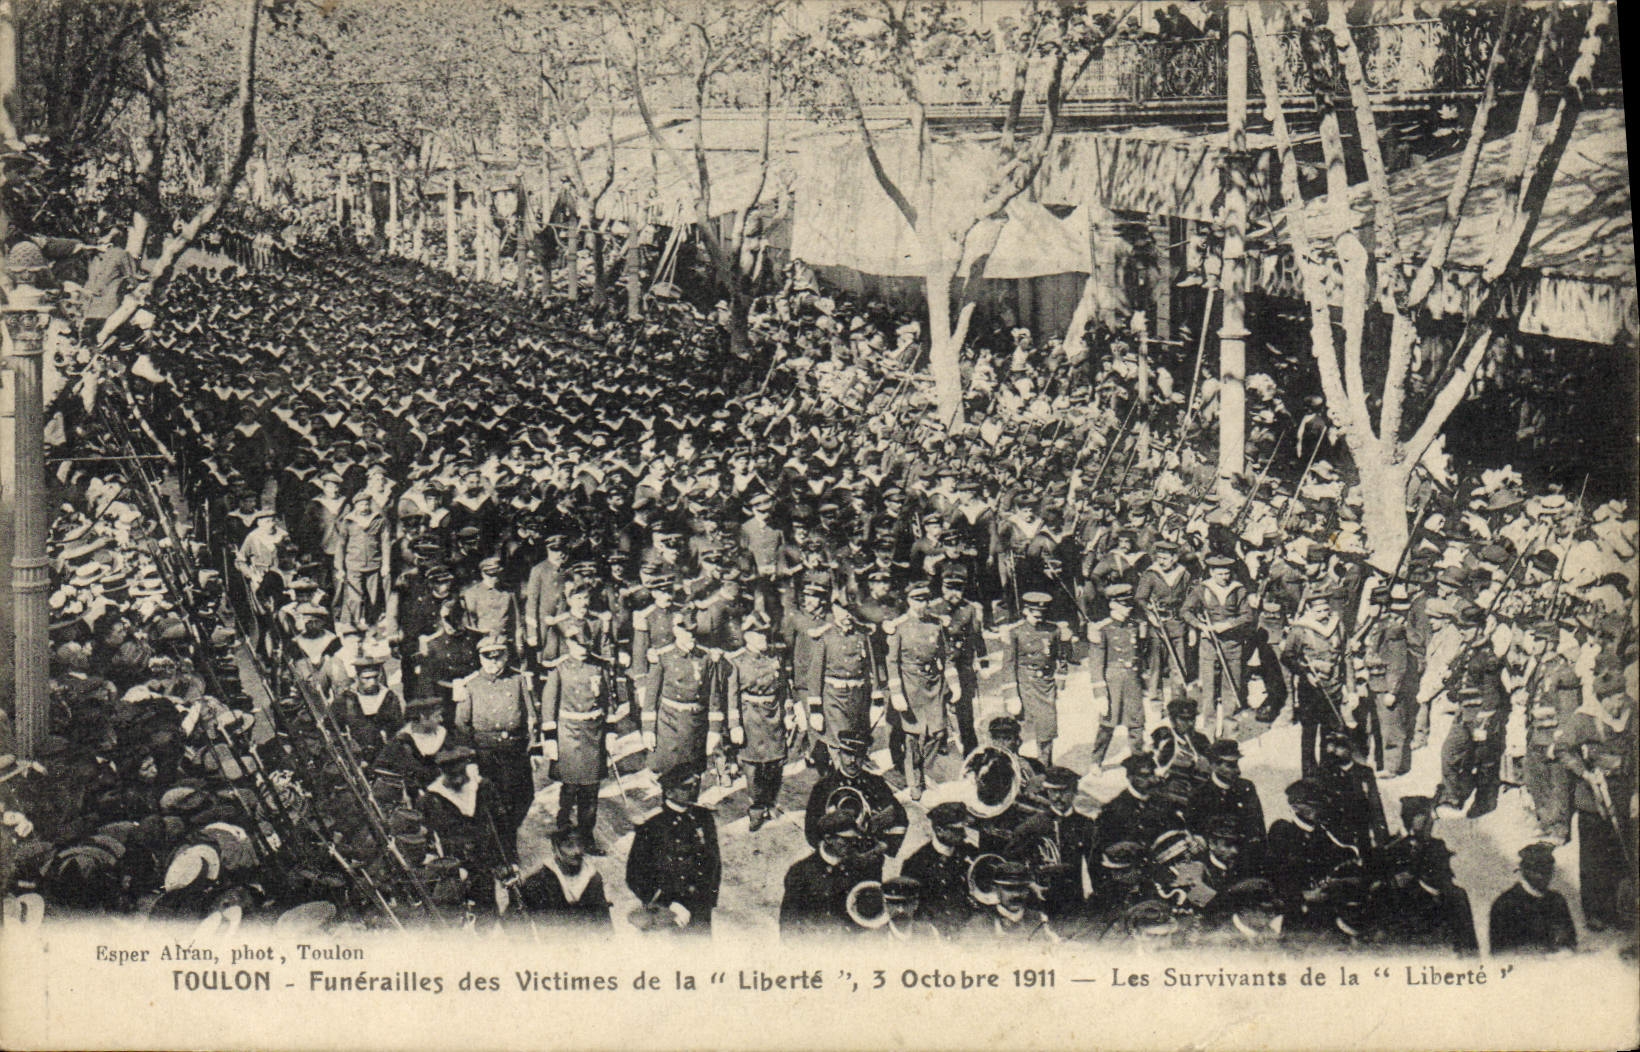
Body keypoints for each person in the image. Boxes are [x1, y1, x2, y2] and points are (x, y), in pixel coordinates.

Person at [1558, 669, 1636, 934]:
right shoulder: (1583, 719)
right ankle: (1595, 912)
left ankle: (1619, 909)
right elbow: (1563, 749)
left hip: (1624, 793)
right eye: (1613, 699)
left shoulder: (1632, 713)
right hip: (1593, 797)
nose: (1618, 704)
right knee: (1594, 859)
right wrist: (1584, 772)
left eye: (1621, 698)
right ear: (1601, 699)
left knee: (1621, 853)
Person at [452, 634, 536, 860]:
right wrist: (470, 759)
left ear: (506, 657)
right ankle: (504, 850)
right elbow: (462, 725)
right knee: (497, 805)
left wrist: (533, 746)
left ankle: (506, 838)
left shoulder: (518, 680)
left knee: (525, 796)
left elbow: (530, 716)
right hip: (487, 755)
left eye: (498, 657)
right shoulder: (470, 685)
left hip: (516, 751)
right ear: (480, 659)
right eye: (487, 658)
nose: (493, 663)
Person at [540, 626, 616, 851]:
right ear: (569, 644)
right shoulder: (560, 669)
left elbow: (608, 702)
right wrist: (551, 739)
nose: (582, 649)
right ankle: (563, 828)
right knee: (570, 787)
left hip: (594, 733)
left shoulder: (600, 666)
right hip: (569, 734)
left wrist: (611, 732)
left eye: (585, 645)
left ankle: (586, 836)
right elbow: (548, 705)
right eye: (577, 645)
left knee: (591, 790)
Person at [626, 762, 720, 936]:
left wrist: (708, 899)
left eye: (695, 786)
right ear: (669, 792)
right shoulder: (652, 826)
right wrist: (668, 905)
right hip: (667, 911)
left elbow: (713, 860)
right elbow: (635, 875)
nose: (693, 791)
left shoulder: (704, 817)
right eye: (686, 787)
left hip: (699, 906)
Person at [803, 731, 906, 873]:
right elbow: (811, 831)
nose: (852, 760)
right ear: (839, 754)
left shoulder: (875, 783)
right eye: (847, 754)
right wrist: (832, 853)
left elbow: (900, 817)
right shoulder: (823, 787)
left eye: (858, 756)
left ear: (864, 757)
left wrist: (882, 846)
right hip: (836, 865)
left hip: (869, 863)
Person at [722, 612, 789, 831]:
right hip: (750, 717)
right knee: (752, 767)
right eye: (759, 636)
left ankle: (770, 801)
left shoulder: (775, 657)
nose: (764, 641)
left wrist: (788, 713)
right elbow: (731, 696)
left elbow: (783, 688)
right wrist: (734, 726)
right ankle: (757, 809)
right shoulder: (736, 661)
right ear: (748, 637)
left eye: (765, 636)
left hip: (773, 714)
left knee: (775, 762)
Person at [885, 581, 951, 800]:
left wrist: (952, 682)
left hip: (933, 684)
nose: (922, 605)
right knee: (912, 737)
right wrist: (896, 693)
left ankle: (923, 769)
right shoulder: (899, 626)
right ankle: (915, 780)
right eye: (917, 600)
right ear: (908, 601)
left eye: (925, 600)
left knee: (938, 732)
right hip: (910, 685)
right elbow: (892, 661)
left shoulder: (936, 624)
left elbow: (944, 655)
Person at [779, 810, 880, 938]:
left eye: (855, 839)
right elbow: (788, 924)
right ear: (828, 838)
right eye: (846, 839)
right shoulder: (801, 872)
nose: (852, 844)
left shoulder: (860, 868)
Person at [997, 592, 1070, 766]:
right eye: (1034, 614)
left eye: (1041, 614)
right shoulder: (1015, 632)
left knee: (1047, 727)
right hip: (1024, 685)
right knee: (1014, 730)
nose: (1039, 618)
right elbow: (1008, 665)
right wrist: (1011, 695)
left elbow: (1062, 655)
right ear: (1025, 611)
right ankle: (1010, 766)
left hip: (1045, 685)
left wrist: (1061, 675)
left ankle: (1044, 767)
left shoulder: (1054, 630)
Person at [1181, 554, 1253, 728]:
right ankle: (1208, 731)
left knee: (1232, 687)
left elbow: (1248, 616)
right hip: (1209, 645)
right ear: (1212, 572)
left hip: (1232, 644)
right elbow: (1185, 611)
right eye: (1220, 574)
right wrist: (1200, 626)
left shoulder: (1238, 590)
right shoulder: (1201, 589)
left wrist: (1228, 624)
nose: (1224, 577)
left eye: (1227, 573)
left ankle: (1230, 733)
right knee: (1209, 689)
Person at [642, 620, 720, 779]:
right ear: (677, 632)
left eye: (694, 634)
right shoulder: (663, 656)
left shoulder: (706, 657)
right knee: (669, 768)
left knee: (694, 771)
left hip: (696, 722)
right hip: (670, 722)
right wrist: (648, 729)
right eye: (687, 634)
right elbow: (651, 696)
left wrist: (714, 729)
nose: (691, 638)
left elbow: (713, 695)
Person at [1088, 583, 1147, 769]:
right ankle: (1096, 761)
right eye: (1125, 605)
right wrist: (1100, 693)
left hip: (1133, 680)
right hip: (1113, 682)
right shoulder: (1103, 629)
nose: (1129, 608)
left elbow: (1141, 655)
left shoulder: (1135, 626)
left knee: (1137, 723)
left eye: (1129, 604)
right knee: (1107, 724)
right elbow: (1096, 663)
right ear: (1113, 605)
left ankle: (1137, 759)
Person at [900, 802, 979, 938]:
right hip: (935, 934)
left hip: (971, 929)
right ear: (939, 830)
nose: (965, 835)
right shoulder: (915, 864)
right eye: (957, 830)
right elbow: (911, 910)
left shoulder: (972, 854)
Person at [513, 831, 612, 932]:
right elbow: (514, 921)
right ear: (556, 849)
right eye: (569, 846)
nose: (577, 851)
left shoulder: (593, 878)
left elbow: (604, 923)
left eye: (580, 845)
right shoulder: (539, 880)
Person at [1488, 842, 1577, 954]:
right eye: (1537, 871)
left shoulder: (1557, 901)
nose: (1543, 877)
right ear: (1524, 870)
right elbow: (1500, 953)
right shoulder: (1505, 904)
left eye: (1547, 871)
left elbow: (1571, 942)